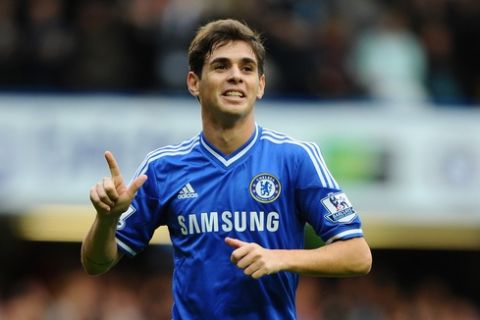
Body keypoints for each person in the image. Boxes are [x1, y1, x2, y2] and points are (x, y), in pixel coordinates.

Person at [81, 18, 372, 319]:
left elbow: (358, 255)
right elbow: (96, 263)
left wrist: (279, 258)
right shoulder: (162, 167)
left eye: (246, 68)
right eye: (221, 66)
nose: (236, 76)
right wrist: (106, 219)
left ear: (260, 85)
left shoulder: (296, 158)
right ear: (194, 82)